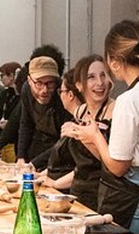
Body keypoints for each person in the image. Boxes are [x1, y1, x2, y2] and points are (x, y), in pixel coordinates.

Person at [70, 20, 139, 234]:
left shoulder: (129, 99)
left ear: (114, 62)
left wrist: (95, 136)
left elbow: (118, 166)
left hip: (130, 199)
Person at [43, 55, 114, 210]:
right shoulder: (80, 112)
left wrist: (79, 133)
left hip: (104, 195)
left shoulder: (115, 111)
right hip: (77, 192)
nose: (100, 83)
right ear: (79, 85)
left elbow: (112, 163)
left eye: (103, 75)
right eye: (91, 77)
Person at [16, 56, 73, 166]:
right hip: (38, 147)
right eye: (39, 83)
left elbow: (65, 142)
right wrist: (21, 156)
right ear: (29, 80)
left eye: (50, 83)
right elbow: (26, 124)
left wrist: (34, 164)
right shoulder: (26, 90)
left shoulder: (64, 95)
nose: (44, 90)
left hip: (62, 154)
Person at [0, 62, 25, 161]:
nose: (1, 79)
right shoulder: (5, 93)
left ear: (12, 76)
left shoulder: (23, 98)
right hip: (3, 139)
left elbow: (18, 121)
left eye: (2, 75)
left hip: (16, 141)